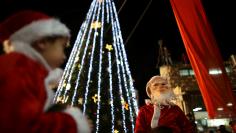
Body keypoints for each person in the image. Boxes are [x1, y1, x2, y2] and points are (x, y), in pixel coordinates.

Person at [0, 10, 91, 133]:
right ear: (42, 43)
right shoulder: (20, 68)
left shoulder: (29, 70)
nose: (64, 56)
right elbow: (22, 125)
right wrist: (73, 123)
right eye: (62, 47)